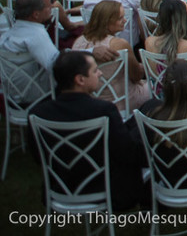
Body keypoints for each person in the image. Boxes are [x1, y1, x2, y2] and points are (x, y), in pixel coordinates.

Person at [31, 51, 150, 210]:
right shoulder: (103, 110)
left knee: (138, 119)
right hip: (105, 188)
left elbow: (39, 156)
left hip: (61, 186)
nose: (100, 73)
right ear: (80, 80)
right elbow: (127, 153)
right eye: (95, 70)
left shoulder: (38, 113)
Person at [73, 0, 150, 108]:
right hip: (120, 100)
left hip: (90, 100)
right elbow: (136, 76)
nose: (125, 20)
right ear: (106, 22)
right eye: (120, 18)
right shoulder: (119, 44)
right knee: (154, 86)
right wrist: (142, 67)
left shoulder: (78, 42)